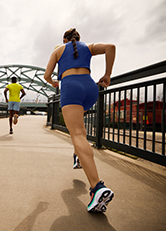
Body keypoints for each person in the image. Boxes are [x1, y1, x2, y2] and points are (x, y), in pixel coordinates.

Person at [44, 28, 115, 212]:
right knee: (80, 131)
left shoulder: (58, 50)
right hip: (90, 88)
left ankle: (97, 187)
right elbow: (111, 47)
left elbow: (46, 75)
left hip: (71, 88)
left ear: (64, 39)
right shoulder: (88, 47)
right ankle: (78, 156)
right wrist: (107, 75)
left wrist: (53, 82)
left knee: (76, 133)